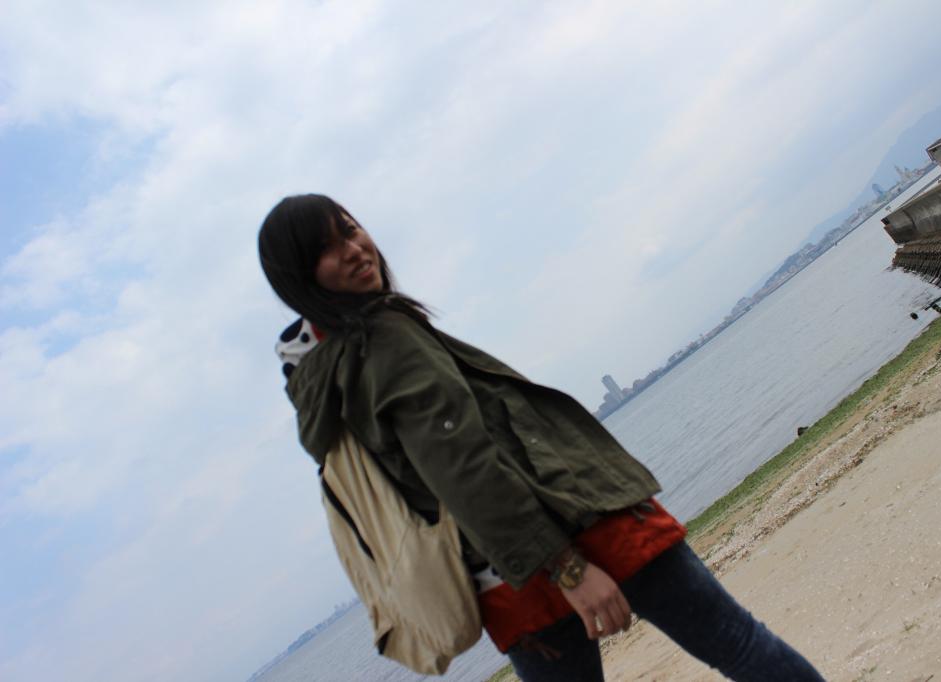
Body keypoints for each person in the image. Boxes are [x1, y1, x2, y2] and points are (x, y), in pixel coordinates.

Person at [259, 194, 824, 681]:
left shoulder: (331, 372)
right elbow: (465, 468)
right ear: (299, 279)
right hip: (581, 530)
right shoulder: (384, 342)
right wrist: (569, 569)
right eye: (327, 249)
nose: (353, 249)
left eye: (350, 229)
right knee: (739, 643)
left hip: (505, 579)